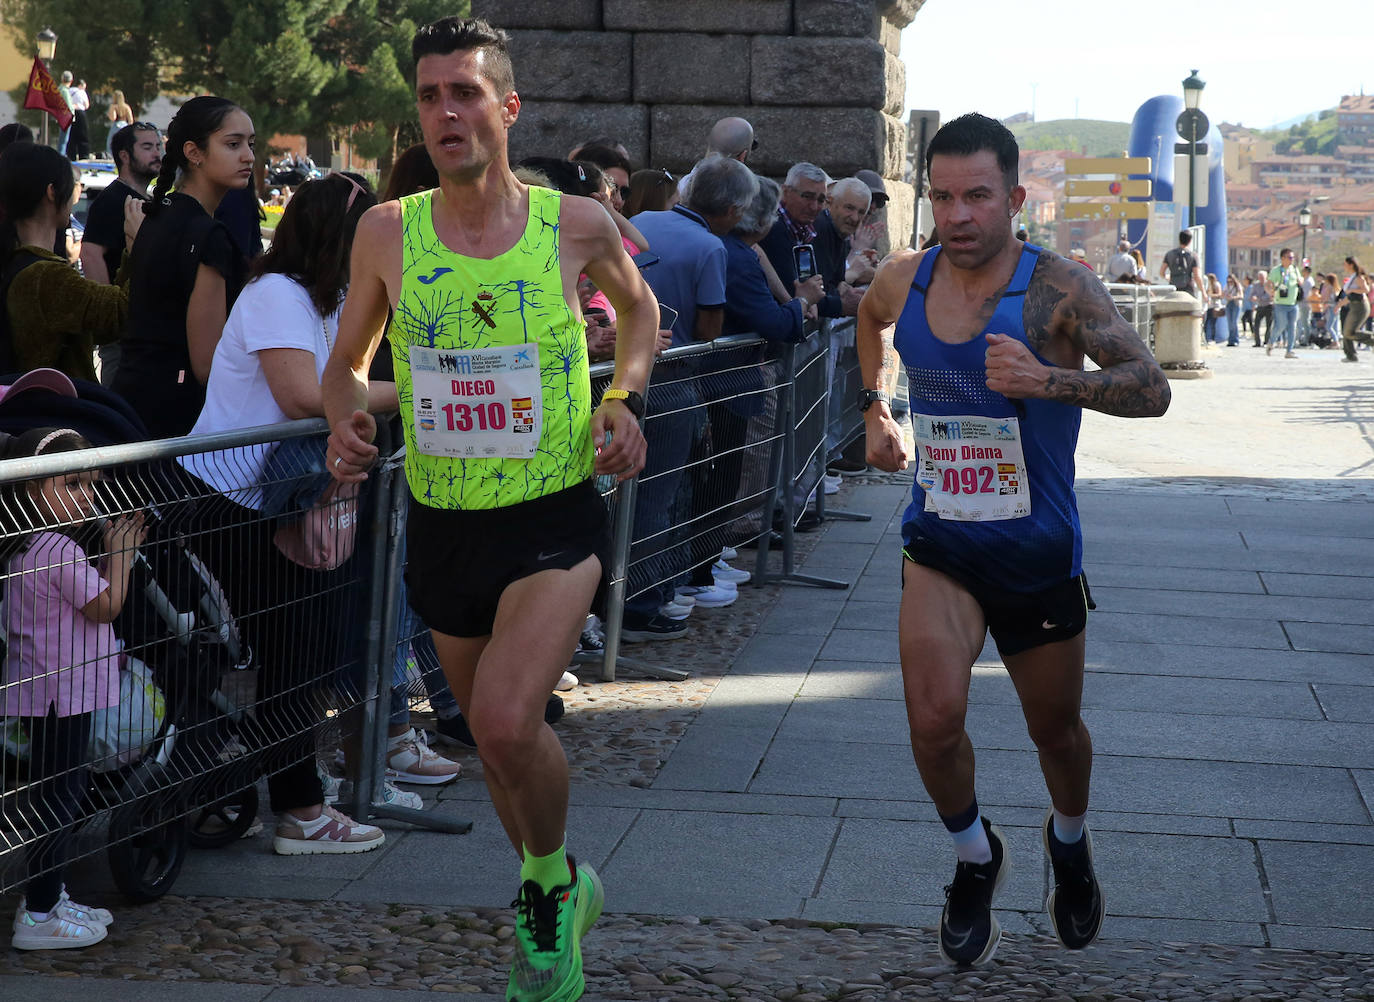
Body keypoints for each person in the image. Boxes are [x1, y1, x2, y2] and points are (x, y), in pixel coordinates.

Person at [321, 17, 658, 1001]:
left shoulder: (575, 225)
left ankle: (549, 897)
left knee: (510, 723)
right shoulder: (389, 230)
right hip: (443, 523)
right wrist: (346, 420)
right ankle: (552, 887)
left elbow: (640, 315)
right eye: (429, 96)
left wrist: (623, 402)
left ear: (507, 108)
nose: (445, 113)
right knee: (497, 751)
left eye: (465, 93)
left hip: (552, 513)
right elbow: (346, 366)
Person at [855, 113, 1170, 967]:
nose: (958, 215)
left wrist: (1049, 380)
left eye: (978, 197)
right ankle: (973, 858)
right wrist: (875, 410)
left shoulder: (1058, 289)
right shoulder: (905, 278)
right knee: (932, 720)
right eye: (944, 196)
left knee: (1056, 733)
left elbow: (1151, 386)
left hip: (1036, 554)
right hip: (943, 542)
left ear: (1015, 198)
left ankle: (1068, 840)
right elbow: (869, 323)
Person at [179, 172, 393, 854]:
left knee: (303, 651)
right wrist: (424, 389)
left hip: (276, 501)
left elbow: (340, 388)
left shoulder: (327, 300)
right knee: (291, 653)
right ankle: (300, 810)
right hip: (229, 503)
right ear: (338, 238)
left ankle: (298, 791)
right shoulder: (276, 294)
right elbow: (307, 395)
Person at [2, 426, 145, 949]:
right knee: (58, 799)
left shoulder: (28, 546)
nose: (87, 495)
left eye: (90, 483)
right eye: (72, 484)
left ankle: (49, 894)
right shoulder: (58, 549)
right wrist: (122, 553)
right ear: (32, 490)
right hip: (62, 692)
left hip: (50, 689)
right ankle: (38, 916)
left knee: (57, 793)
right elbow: (106, 606)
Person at [112, 96, 253, 438]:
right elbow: (207, 364)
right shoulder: (206, 235)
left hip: (133, 403)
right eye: (233, 144)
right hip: (174, 422)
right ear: (194, 152)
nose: (248, 155)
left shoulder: (159, 216)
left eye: (251, 143)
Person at [0, 141, 141, 380]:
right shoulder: (46, 276)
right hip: (57, 412)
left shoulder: (21, 265)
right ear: (52, 192)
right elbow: (121, 312)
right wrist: (139, 246)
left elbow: (100, 327)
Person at [80, 123, 162, 285]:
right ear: (124, 156)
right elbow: (91, 253)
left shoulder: (149, 199)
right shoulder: (111, 200)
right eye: (147, 147)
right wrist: (108, 303)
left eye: (158, 147)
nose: (156, 154)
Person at [1266, 248, 1301, 358]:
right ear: (1282, 258)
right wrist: (1270, 292)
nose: (1292, 260)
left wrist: (1301, 281)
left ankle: (1289, 350)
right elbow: (1268, 284)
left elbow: (1300, 280)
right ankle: (1271, 342)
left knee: (1292, 327)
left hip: (1293, 303)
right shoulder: (1276, 270)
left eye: (1292, 257)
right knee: (1280, 326)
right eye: (1289, 257)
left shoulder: (1294, 269)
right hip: (1280, 303)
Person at [1338, 257, 1370, 363]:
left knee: (1349, 332)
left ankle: (1352, 355)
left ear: (1351, 265)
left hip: (1360, 306)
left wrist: (1353, 289)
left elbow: (1366, 289)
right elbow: (1350, 296)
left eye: (1345, 264)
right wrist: (1339, 304)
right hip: (1353, 306)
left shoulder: (1358, 277)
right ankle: (1351, 355)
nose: (1344, 266)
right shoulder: (1352, 277)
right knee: (1347, 332)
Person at [1160, 230, 1202, 296]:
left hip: (1173, 288)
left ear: (1179, 240)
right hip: (1188, 289)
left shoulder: (1169, 254)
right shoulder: (1193, 256)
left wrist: (1167, 277)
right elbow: (1197, 276)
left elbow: (1161, 272)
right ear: (1190, 241)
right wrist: (1203, 292)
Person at [67, 80, 91, 161]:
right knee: (83, 136)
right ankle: (83, 156)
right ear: (81, 85)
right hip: (80, 113)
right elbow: (87, 105)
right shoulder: (82, 92)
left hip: (70, 113)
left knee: (71, 136)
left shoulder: (69, 90)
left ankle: (71, 156)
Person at [105, 89, 133, 157]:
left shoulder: (114, 106)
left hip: (116, 126)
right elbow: (130, 120)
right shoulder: (126, 107)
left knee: (111, 144)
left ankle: (112, 157)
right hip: (125, 125)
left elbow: (113, 118)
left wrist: (110, 112)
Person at [1251, 270, 1272, 348]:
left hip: (1268, 306)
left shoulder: (1269, 284)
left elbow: (1269, 295)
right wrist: (1253, 297)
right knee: (1256, 324)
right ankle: (1257, 342)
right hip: (1260, 306)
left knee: (1268, 325)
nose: (1261, 279)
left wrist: (1259, 298)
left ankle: (1266, 341)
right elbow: (1252, 293)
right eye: (1259, 277)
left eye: (1262, 277)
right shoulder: (1256, 285)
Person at [1202, 273, 1224, 345]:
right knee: (1206, 323)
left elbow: (1220, 294)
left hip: (1215, 306)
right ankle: (1206, 338)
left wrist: (1210, 295)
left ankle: (1212, 339)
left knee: (1212, 323)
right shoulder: (1208, 285)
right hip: (1208, 306)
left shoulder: (1216, 284)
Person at [1224, 273, 1243, 346]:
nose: (1229, 283)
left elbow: (1241, 295)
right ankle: (1230, 340)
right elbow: (1223, 294)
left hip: (1236, 304)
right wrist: (1226, 296)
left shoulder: (1238, 286)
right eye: (1228, 281)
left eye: (1231, 281)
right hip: (1228, 304)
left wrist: (1234, 297)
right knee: (1229, 323)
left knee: (1234, 322)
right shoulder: (1227, 286)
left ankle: (1235, 340)